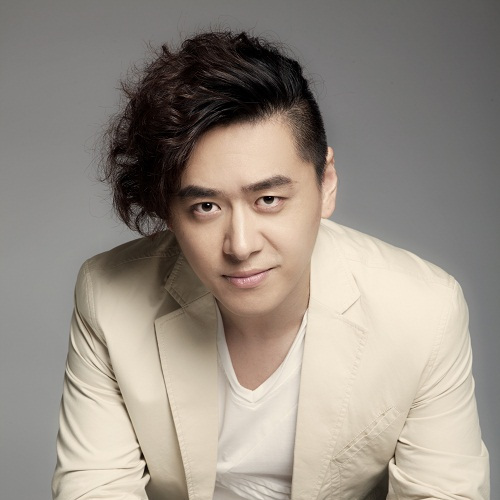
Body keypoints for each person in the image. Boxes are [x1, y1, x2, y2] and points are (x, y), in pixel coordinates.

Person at [52, 30, 489, 500]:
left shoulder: (424, 310)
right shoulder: (109, 295)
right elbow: (96, 488)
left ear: (326, 182)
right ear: (168, 212)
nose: (241, 245)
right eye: (205, 207)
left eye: (268, 199)